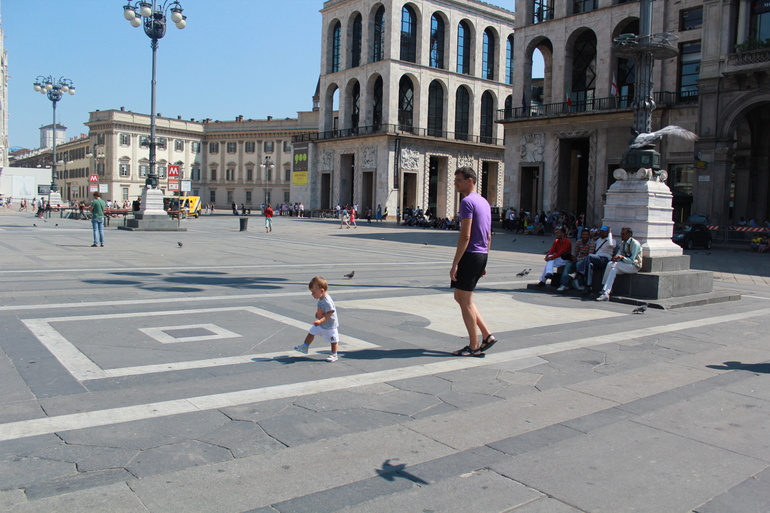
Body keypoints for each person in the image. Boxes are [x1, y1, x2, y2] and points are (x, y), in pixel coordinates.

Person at [449, 167, 496, 358]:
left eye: (459, 180)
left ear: (470, 180)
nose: (455, 183)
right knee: (460, 297)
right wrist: (485, 259)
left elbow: (465, 235)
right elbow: (489, 234)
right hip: (481, 254)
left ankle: (474, 345)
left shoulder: (467, 202)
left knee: (465, 300)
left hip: (470, 254)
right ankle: (486, 335)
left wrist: (455, 263)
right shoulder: (484, 202)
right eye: (455, 180)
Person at [294, 276, 340, 362]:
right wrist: (317, 315)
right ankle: (305, 346)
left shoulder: (327, 301)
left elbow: (329, 314)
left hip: (330, 325)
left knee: (334, 340)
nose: (312, 294)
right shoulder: (321, 299)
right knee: (311, 332)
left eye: (314, 292)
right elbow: (320, 311)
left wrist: (320, 321)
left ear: (321, 291)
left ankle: (334, 354)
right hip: (321, 323)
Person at [596, 227, 642, 301]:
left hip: (634, 266)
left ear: (629, 234)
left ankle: (604, 288)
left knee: (613, 265)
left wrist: (622, 258)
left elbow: (632, 260)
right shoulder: (623, 243)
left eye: (623, 234)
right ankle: (606, 292)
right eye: (621, 234)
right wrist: (615, 258)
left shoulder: (635, 244)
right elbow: (618, 254)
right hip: (624, 265)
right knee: (612, 268)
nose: (622, 236)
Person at [572, 225, 616, 292]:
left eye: (604, 232)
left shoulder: (612, 240)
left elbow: (611, 245)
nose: (601, 233)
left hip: (604, 260)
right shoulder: (599, 240)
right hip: (596, 259)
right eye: (601, 232)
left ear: (607, 232)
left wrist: (610, 233)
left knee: (590, 256)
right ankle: (588, 286)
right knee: (589, 265)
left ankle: (579, 272)